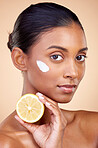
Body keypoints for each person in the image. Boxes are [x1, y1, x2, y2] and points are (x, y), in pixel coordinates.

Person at [0, 2, 98, 148]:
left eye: (80, 57)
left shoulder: (93, 128)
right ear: (20, 59)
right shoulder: (6, 143)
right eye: (56, 56)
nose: (73, 72)